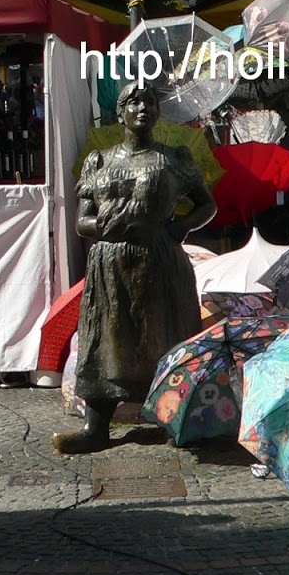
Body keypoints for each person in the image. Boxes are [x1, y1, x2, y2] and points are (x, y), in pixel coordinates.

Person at [54, 82, 216, 453]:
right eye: (133, 101)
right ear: (120, 112)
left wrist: (178, 227)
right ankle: (97, 427)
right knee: (107, 341)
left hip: (158, 259)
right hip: (110, 262)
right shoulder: (100, 161)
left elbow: (207, 205)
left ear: (158, 113)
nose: (142, 107)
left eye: (149, 102)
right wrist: (107, 227)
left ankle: (168, 418)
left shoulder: (174, 158)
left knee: (160, 338)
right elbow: (82, 220)